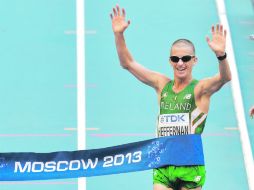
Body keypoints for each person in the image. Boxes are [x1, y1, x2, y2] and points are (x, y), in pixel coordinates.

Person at [110, 5, 231, 190]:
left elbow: (224, 78)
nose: (180, 63)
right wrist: (119, 35)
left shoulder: (200, 89)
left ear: (194, 61)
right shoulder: (161, 85)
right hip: (164, 162)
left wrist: (221, 56)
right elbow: (128, 63)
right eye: (175, 59)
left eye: (185, 58)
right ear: (170, 61)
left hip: (190, 165)